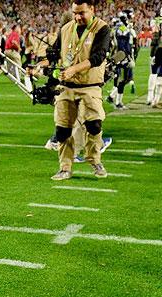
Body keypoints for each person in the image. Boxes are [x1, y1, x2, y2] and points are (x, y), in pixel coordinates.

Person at [39, 0, 111, 180]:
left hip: (90, 86)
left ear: (92, 10)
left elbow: (98, 57)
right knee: (62, 129)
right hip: (66, 87)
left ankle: (94, 159)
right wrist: (40, 65)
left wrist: (73, 69)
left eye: (82, 13)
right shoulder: (65, 29)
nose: (78, 17)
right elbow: (54, 53)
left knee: (94, 125)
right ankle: (65, 167)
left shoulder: (102, 28)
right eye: (75, 13)